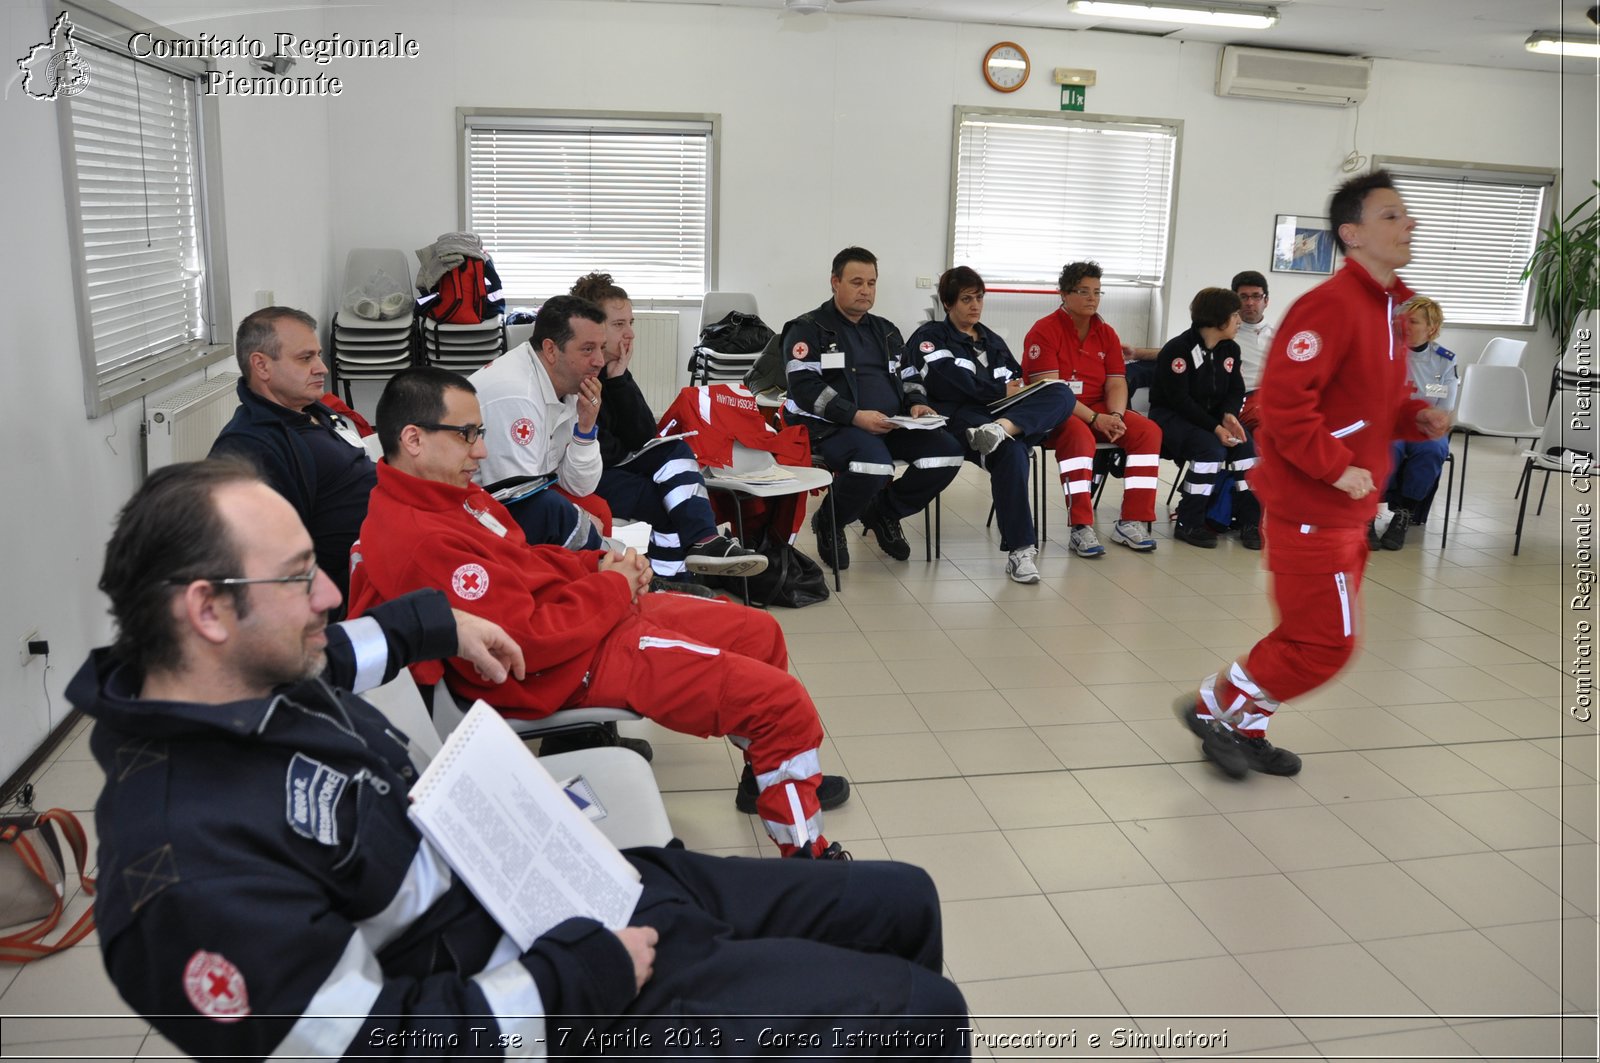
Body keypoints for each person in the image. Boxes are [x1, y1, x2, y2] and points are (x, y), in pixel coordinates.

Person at [70, 458, 967, 1061]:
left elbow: (369, 638)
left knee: (907, 898)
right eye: (300, 577)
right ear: (208, 609)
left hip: (569, 884)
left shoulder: (249, 670)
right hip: (564, 985)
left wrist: (442, 620)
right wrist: (584, 973)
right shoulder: (180, 871)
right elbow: (371, 1046)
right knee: (928, 1015)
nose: (332, 595)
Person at [349, 367, 851, 857]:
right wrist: (612, 586)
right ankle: (806, 856)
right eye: (466, 435)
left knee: (758, 632)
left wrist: (594, 564)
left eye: (479, 432)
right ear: (413, 439)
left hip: (585, 623)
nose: (481, 449)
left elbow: (524, 560)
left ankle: (765, 776)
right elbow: (526, 642)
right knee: (780, 705)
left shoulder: (450, 495)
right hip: (565, 666)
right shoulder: (423, 538)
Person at [1175, 171, 1452, 779]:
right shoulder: (1328, 307)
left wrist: (1416, 417)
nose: (1408, 225)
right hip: (1314, 506)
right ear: (1351, 233)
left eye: (1406, 215)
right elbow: (1283, 407)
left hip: (1347, 507)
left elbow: (1373, 403)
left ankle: (1242, 725)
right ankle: (1214, 706)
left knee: (1306, 634)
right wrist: (1336, 469)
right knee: (1329, 643)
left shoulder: (1386, 311)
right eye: (1390, 216)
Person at [568, 273, 767, 585]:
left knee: (673, 458)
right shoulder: (575, 371)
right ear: (591, 326)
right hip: (586, 474)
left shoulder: (610, 369)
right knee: (668, 497)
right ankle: (682, 571)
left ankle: (683, 568)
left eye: (630, 322)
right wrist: (639, 461)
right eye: (619, 324)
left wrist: (620, 377)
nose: (630, 333)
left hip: (615, 465)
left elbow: (645, 434)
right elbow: (599, 450)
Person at [781, 246, 964, 571]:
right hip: (832, 427)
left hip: (891, 425)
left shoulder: (887, 330)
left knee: (948, 452)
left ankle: (884, 512)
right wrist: (854, 415)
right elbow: (804, 388)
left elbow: (909, 376)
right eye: (856, 282)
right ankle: (830, 520)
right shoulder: (807, 328)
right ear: (835, 282)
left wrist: (918, 405)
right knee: (876, 465)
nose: (865, 290)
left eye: (871, 282)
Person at [906, 266, 1074, 583]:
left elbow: (1016, 379)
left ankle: (1004, 429)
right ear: (948, 303)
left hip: (1000, 416)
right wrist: (1000, 391)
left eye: (979, 298)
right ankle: (1022, 550)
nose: (975, 305)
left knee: (1060, 392)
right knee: (1012, 454)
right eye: (967, 299)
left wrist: (1016, 395)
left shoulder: (992, 340)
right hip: (961, 415)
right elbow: (948, 382)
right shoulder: (930, 337)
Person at [209, 307, 374, 605]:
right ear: (261, 366)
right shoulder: (250, 448)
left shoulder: (309, 409)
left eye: (319, 355)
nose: (322, 368)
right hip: (347, 596)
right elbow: (267, 569)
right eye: (305, 358)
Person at [1022, 261, 1163, 557]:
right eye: (1083, 291)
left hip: (1100, 408)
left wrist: (1116, 416)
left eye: (1097, 292)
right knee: (1080, 438)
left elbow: (1116, 382)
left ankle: (1131, 520)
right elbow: (1051, 392)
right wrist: (1096, 419)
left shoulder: (1106, 333)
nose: (1092, 298)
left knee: (1148, 432)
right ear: (1064, 294)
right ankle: (1081, 526)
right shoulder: (1044, 331)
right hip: (1057, 411)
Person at [466, 295, 611, 553]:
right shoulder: (517, 395)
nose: (600, 360)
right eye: (588, 349)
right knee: (589, 521)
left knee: (597, 508)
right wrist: (581, 524)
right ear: (551, 350)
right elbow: (519, 502)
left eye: (602, 347)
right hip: (476, 509)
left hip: (520, 491)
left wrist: (586, 429)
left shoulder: (565, 382)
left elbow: (579, 485)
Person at [1150, 288, 1263, 551]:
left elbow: (1236, 389)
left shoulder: (1230, 349)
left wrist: (1229, 416)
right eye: (1235, 314)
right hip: (1173, 417)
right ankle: (1189, 522)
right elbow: (1180, 401)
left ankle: (1249, 522)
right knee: (1210, 450)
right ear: (1218, 319)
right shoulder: (1178, 350)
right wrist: (1215, 428)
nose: (1239, 320)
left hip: (1213, 419)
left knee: (1248, 449)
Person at [1372, 294, 1457, 551]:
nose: (1405, 326)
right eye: (1403, 320)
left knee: (1432, 450)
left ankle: (1404, 514)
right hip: (1389, 424)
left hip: (1425, 426)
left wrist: (1431, 421)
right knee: (1388, 449)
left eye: (1414, 322)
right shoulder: (1386, 351)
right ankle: (1367, 513)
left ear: (1431, 329)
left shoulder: (1443, 359)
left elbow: (1445, 404)